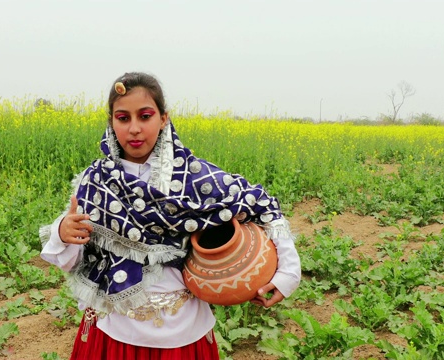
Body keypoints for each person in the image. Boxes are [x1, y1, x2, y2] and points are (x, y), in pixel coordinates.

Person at [40, 72, 301, 359]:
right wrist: (63, 232)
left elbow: (263, 206)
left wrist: (287, 273)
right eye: (123, 118)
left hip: (182, 334)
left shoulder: (197, 178)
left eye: (145, 116)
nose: (134, 128)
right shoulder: (96, 182)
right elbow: (72, 259)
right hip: (113, 330)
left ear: (163, 119)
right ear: (111, 122)